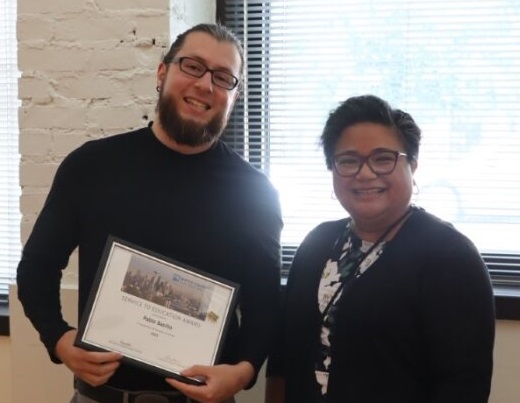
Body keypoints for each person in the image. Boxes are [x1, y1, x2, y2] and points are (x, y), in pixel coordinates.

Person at [17, 23, 283, 403]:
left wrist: (242, 373)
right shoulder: (91, 167)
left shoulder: (255, 193)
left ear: (234, 95)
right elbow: (36, 268)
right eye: (192, 66)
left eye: (223, 77)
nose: (205, 85)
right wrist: (58, 339)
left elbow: (265, 305)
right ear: (162, 72)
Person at [265, 95, 495, 403]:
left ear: (412, 164)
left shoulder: (451, 257)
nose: (365, 173)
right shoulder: (316, 244)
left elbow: (463, 386)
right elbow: (283, 358)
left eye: (383, 158)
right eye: (348, 160)